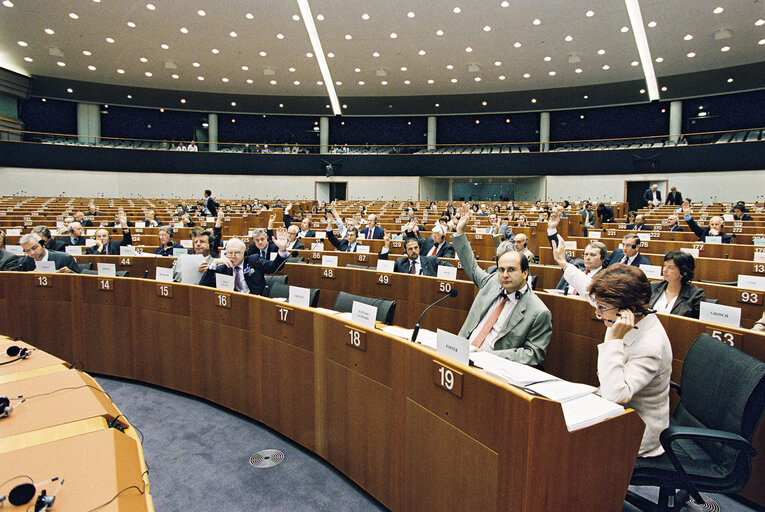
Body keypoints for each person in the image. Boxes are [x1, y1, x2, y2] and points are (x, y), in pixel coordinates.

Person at [551, 239, 671, 457]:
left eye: (602, 308)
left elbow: (615, 395)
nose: (597, 312)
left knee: (558, 444)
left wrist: (614, 340)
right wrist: (563, 263)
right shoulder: (619, 311)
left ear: (630, 310)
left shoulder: (650, 344)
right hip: (615, 416)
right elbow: (590, 292)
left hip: (637, 432)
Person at [452, 205, 551, 365]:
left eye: (511, 270)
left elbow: (533, 354)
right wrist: (460, 232)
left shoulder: (539, 312)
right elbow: (470, 264)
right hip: (460, 354)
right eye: (501, 270)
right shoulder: (492, 282)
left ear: (525, 273)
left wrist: (488, 356)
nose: (504, 275)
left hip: (492, 368)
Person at [199, 232, 289, 296]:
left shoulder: (253, 261)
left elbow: (273, 267)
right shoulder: (223, 268)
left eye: (237, 253)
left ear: (244, 253)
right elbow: (203, 287)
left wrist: (282, 250)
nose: (233, 256)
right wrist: (213, 264)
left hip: (254, 302)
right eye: (230, 253)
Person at [547, 212, 606, 295]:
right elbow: (559, 251)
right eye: (586, 254)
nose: (587, 258)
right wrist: (552, 229)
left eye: (593, 255)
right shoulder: (577, 265)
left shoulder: (604, 278)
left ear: (602, 258)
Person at [649, 251, 706, 319]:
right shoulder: (653, 287)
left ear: (683, 271)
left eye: (670, 267)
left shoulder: (695, 295)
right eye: (664, 265)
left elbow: (696, 325)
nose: (664, 270)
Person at [379, 235, 454, 276]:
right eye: (410, 249)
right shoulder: (400, 262)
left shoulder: (431, 260)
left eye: (416, 248)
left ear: (419, 248)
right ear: (405, 251)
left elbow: (450, 269)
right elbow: (383, 267)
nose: (414, 251)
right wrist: (386, 246)